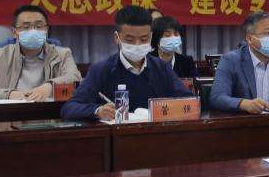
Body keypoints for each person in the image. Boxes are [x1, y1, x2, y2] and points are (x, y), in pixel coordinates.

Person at [63, 6, 191, 120]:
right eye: (130, 40)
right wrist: (97, 111)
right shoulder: (101, 70)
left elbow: (189, 101)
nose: (137, 44)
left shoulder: (162, 68)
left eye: (144, 39)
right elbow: (70, 107)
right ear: (117, 38)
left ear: (151, 37)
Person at [0, 4, 81, 103]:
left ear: (46, 30)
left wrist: (50, 86)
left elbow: (75, 78)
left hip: (50, 114)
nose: (33, 31)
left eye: (39, 26)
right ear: (14, 32)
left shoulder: (62, 54)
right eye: (26, 27)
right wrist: (10, 94)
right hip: (10, 114)